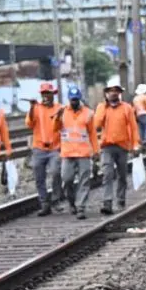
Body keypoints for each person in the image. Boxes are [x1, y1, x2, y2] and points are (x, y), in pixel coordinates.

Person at [94, 76, 140, 215]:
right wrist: (104, 106)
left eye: (116, 91)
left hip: (122, 146)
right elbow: (96, 125)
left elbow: (133, 127)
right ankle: (107, 202)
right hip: (106, 146)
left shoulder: (127, 108)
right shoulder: (101, 107)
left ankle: (120, 199)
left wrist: (135, 145)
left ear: (120, 93)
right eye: (111, 91)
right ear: (106, 93)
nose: (114, 93)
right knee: (107, 174)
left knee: (122, 175)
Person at [54, 86, 99, 220]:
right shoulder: (62, 112)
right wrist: (57, 118)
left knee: (84, 181)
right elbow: (55, 129)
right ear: (69, 99)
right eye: (72, 100)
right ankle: (72, 201)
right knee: (67, 179)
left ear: (79, 99)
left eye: (76, 99)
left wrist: (96, 151)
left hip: (83, 153)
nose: (74, 102)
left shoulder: (88, 113)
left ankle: (81, 207)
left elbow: (92, 134)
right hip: (67, 153)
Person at [25, 81, 61, 216]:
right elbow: (29, 124)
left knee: (56, 172)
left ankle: (56, 199)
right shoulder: (36, 108)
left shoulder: (59, 108)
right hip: (39, 148)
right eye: (44, 93)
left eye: (48, 93)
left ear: (53, 94)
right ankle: (44, 203)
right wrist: (31, 108)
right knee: (39, 177)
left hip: (55, 148)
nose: (46, 96)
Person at [133, 83, 146, 149]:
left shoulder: (135, 98)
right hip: (145, 113)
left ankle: (142, 140)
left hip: (138, 114)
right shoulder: (145, 97)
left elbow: (134, 108)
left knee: (141, 128)